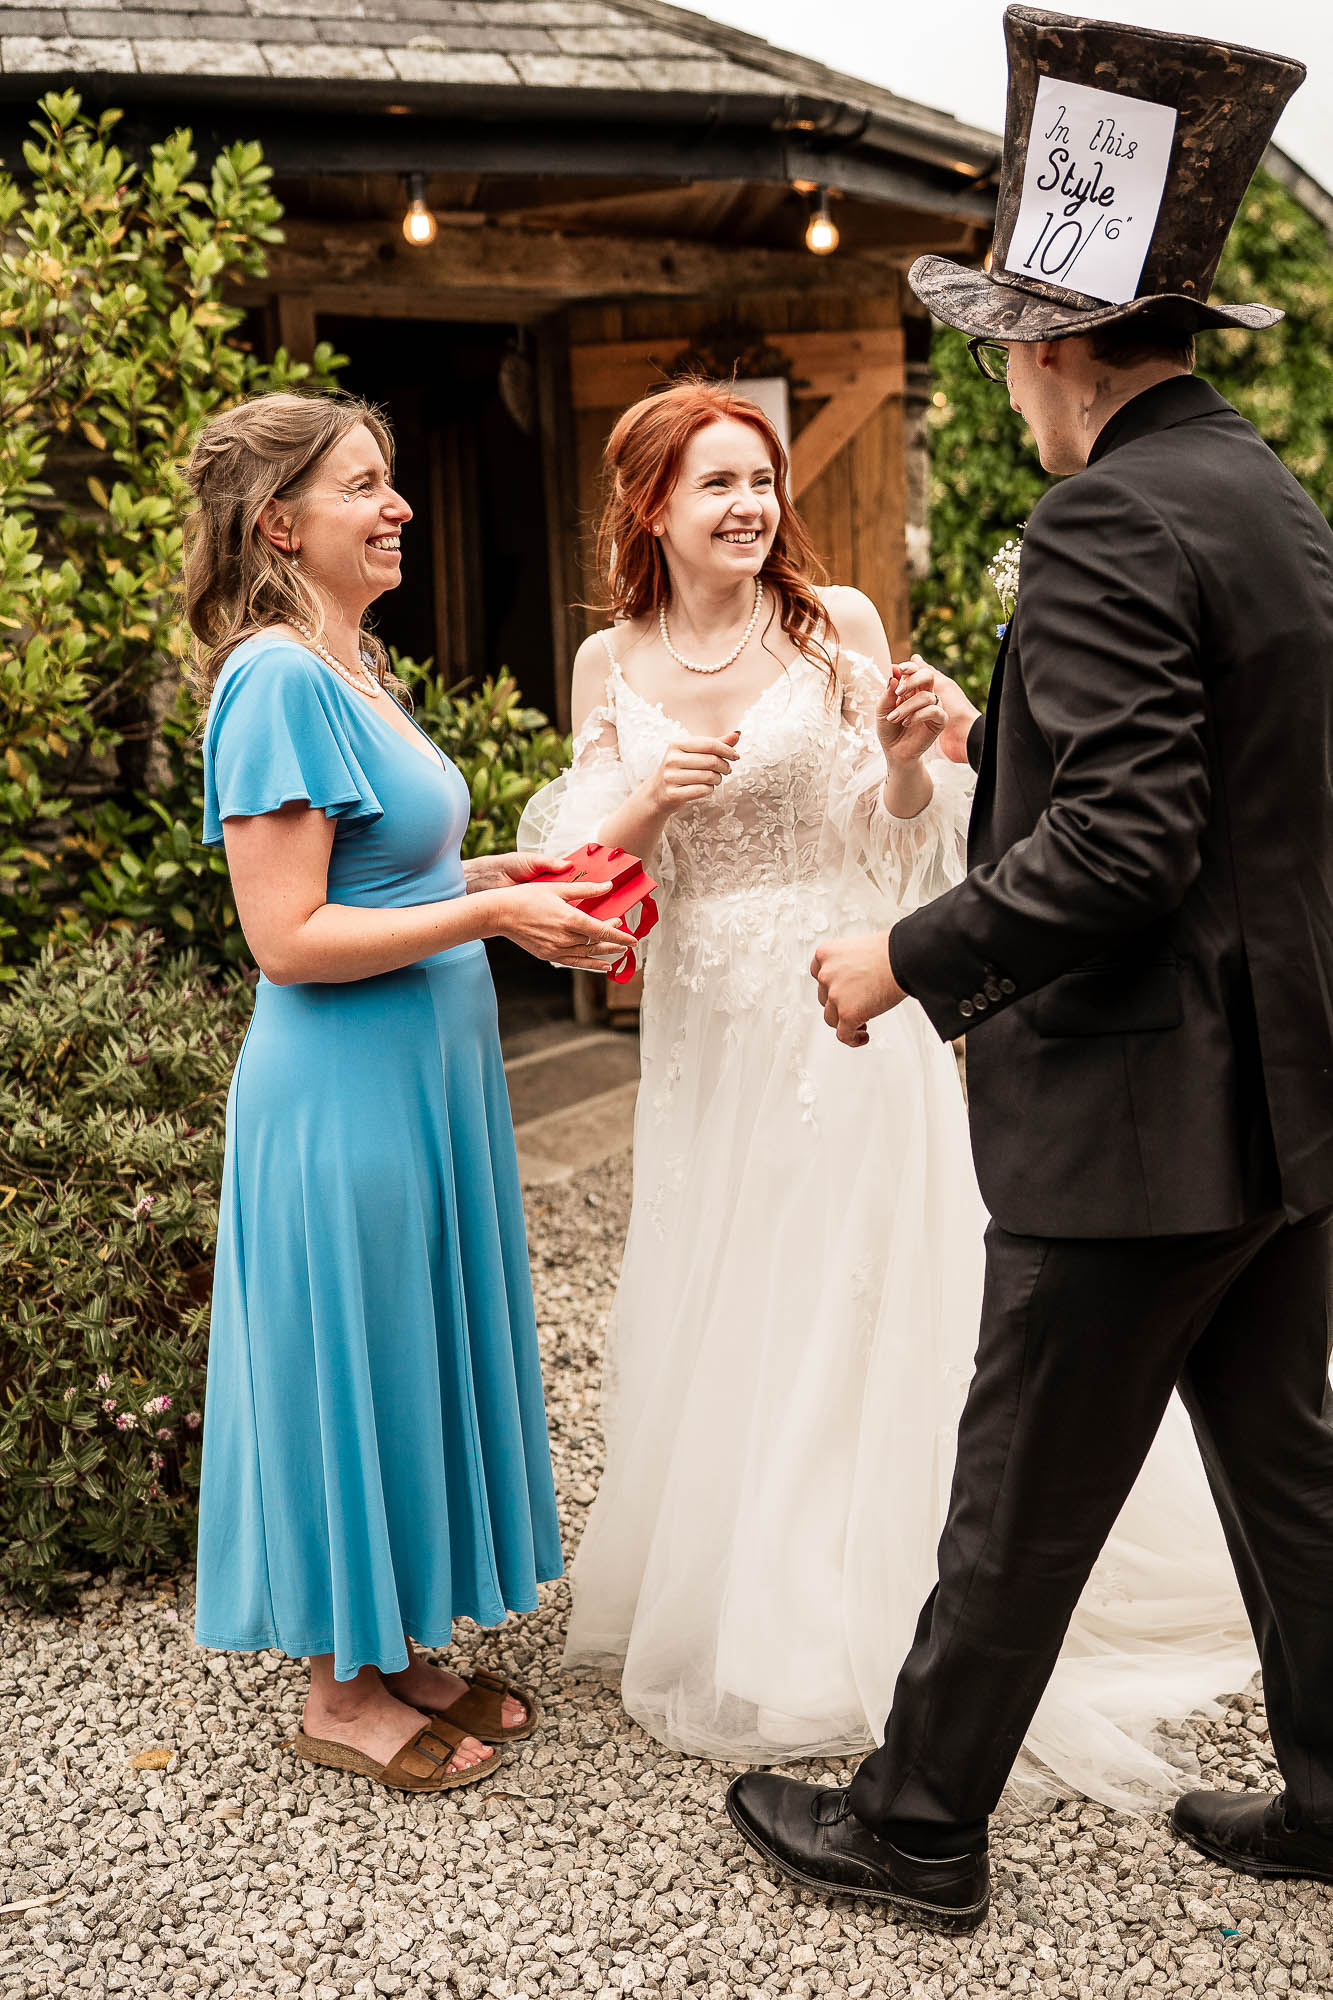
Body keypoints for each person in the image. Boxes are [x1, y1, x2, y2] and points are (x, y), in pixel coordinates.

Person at [727, 7, 1333, 1935]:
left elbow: (1130, 844)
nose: (1002, 383)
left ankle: (914, 1829)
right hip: (1282, 1099)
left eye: (1002, 346)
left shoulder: (1100, 517)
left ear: (1056, 347)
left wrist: (904, 953)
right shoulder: (1265, 495)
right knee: (1288, 1467)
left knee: (1020, 1481)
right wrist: (1008, 758)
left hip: (1144, 1112)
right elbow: (1232, 794)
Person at [519, 378, 1258, 1797]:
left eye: (762, 479)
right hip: (706, 1029)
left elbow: (900, 838)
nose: (750, 506)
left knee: (853, 1285)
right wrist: (656, 795)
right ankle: (743, 1582)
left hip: (843, 1003)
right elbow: (587, 878)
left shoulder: (835, 625)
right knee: (734, 1285)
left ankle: (867, 1609)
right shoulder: (610, 662)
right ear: (651, 508)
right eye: (718, 483)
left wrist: (910, 766)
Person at [185, 392, 634, 1795]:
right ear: (279, 524)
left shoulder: (356, 664)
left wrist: (502, 877)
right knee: (354, 1353)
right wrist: (489, 920)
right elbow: (288, 938)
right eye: (364, 487)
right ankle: (337, 1692)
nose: (398, 508)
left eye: (390, 482)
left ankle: (392, 1645)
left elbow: (384, 877)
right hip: (344, 1090)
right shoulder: (277, 680)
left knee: (409, 1345)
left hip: (425, 1080)